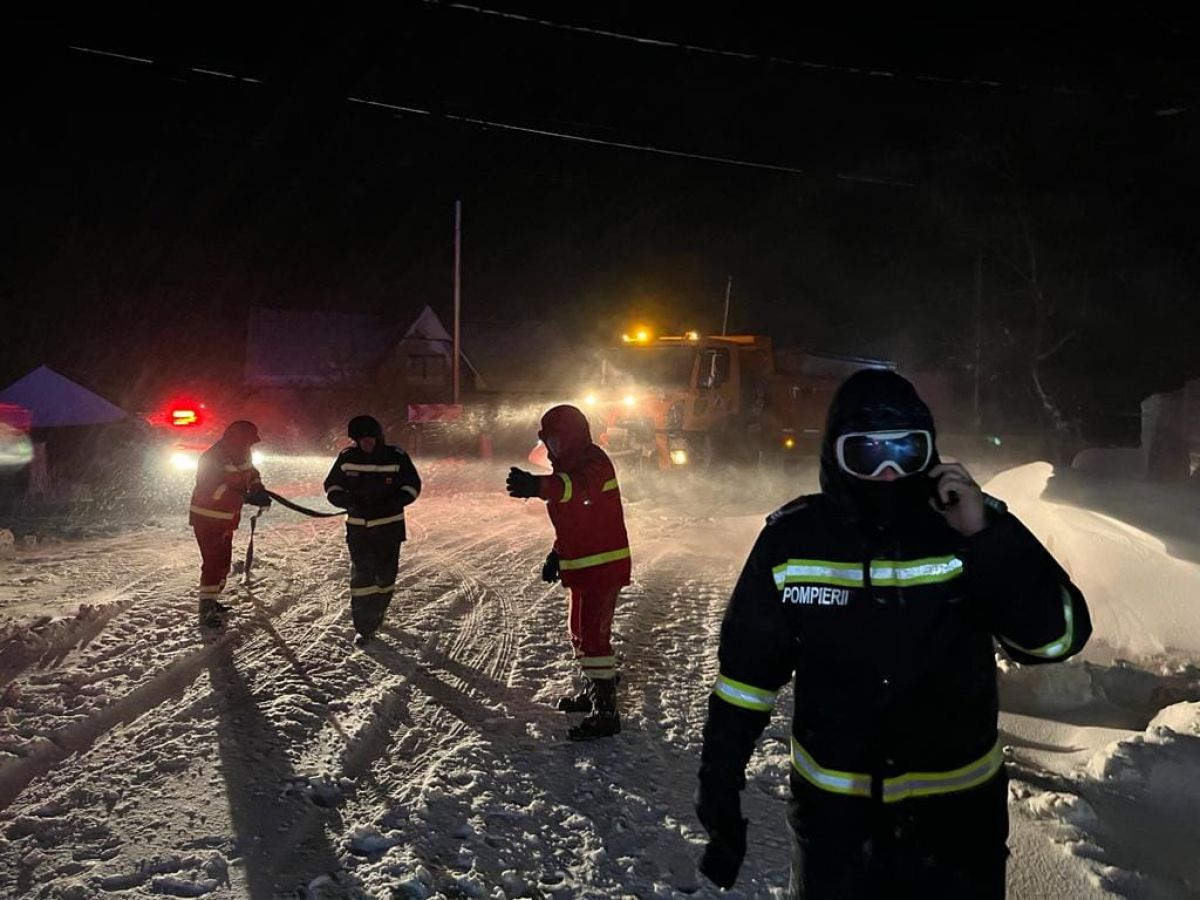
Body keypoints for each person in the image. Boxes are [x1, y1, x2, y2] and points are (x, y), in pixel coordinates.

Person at [695, 369, 1092, 897]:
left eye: (905, 451)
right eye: (866, 454)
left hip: (958, 825)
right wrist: (719, 786)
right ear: (835, 456)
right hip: (835, 826)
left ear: (929, 453)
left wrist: (986, 538)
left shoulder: (969, 525)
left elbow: (1055, 639)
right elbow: (745, 682)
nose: (887, 473)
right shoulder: (793, 541)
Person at [506, 404, 631, 741]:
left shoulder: (594, 463)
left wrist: (537, 486)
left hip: (602, 566)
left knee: (593, 637)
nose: (551, 448)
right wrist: (556, 553)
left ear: (572, 437)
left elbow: (576, 487)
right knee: (578, 633)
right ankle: (592, 691)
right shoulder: (567, 467)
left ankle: (607, 713)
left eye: (556, 441)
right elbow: (574, 522)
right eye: (549, 441)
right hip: (582, 566)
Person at [323, 415, 421, 646]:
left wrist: (394, 502)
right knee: (362, 577)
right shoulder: (347, 457)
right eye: (361, 439)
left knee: (385, 578)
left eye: (370, 438)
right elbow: (332, 485)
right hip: (359, 530)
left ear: (378, 437)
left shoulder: (396, 456)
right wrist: (343, 500)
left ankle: (378, 612)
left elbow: (412, 486)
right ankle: (364, 627)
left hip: (389, 529)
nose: (366, 443)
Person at [188, 420, 271, 626]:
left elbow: (251, 473)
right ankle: (206, 609)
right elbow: (210, 490)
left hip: (226, 518)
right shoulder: (212, 457)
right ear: (237, 438)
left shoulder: (242, 453)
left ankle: (212, 600)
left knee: (223, 561)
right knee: (213, 562)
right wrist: (244, 496)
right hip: (207, 518)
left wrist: (258, 488)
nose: (250, 445)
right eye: (248, 441)